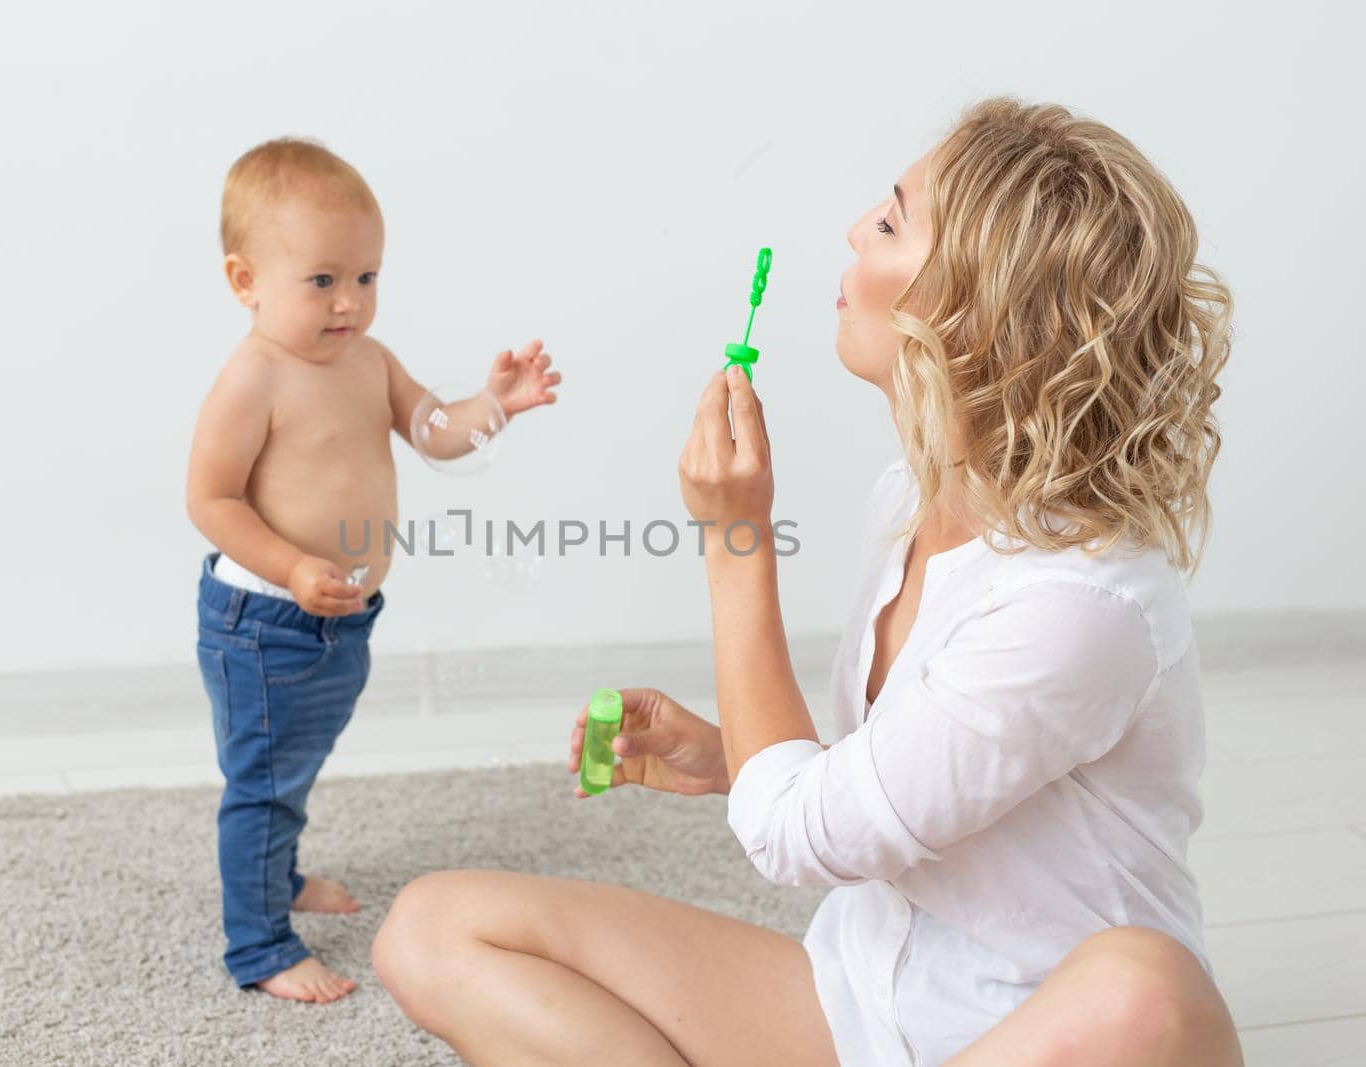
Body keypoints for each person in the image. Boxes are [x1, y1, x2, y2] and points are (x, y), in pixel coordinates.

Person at [372, 98, 1243, 1065]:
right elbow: (914, 776)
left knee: (1147, 986)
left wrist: (734, 540)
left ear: (972, 315)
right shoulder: (910, 498)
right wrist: (730, 757)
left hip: (1038, 1035)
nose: (852, 228)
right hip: (863, 1009)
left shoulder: (1084, 606)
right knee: (431, 927)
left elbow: (796, 840)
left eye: (891, 221)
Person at [186, 138, 561, 1003]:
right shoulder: (252, 379)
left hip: (342, 617)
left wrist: (492, 407)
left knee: (293, 766)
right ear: (246, 281)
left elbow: (433, 432)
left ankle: (274, 880)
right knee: (264, 783)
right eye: (322, 280)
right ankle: (261, 945)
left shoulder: (369, 359)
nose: (349, 301)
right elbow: (211, 501)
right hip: (267, 622)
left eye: (366, 277)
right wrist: (290, 564)